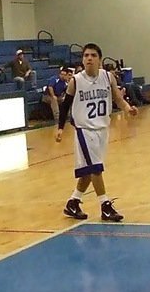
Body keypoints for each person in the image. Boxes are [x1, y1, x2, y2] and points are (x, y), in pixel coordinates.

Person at [55, 44, 136, 222]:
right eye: (85, 56)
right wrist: (60, 128)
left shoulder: (108, 77)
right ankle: (105, 205)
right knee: (96, 169)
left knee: (88, 171)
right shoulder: (75, 81)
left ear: (99, 59)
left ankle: (73, 202)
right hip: (84, 130)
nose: (89, 58)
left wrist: (128, 108)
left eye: (92, 55)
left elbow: (117, 97)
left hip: (102, 129)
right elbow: (65, 106)